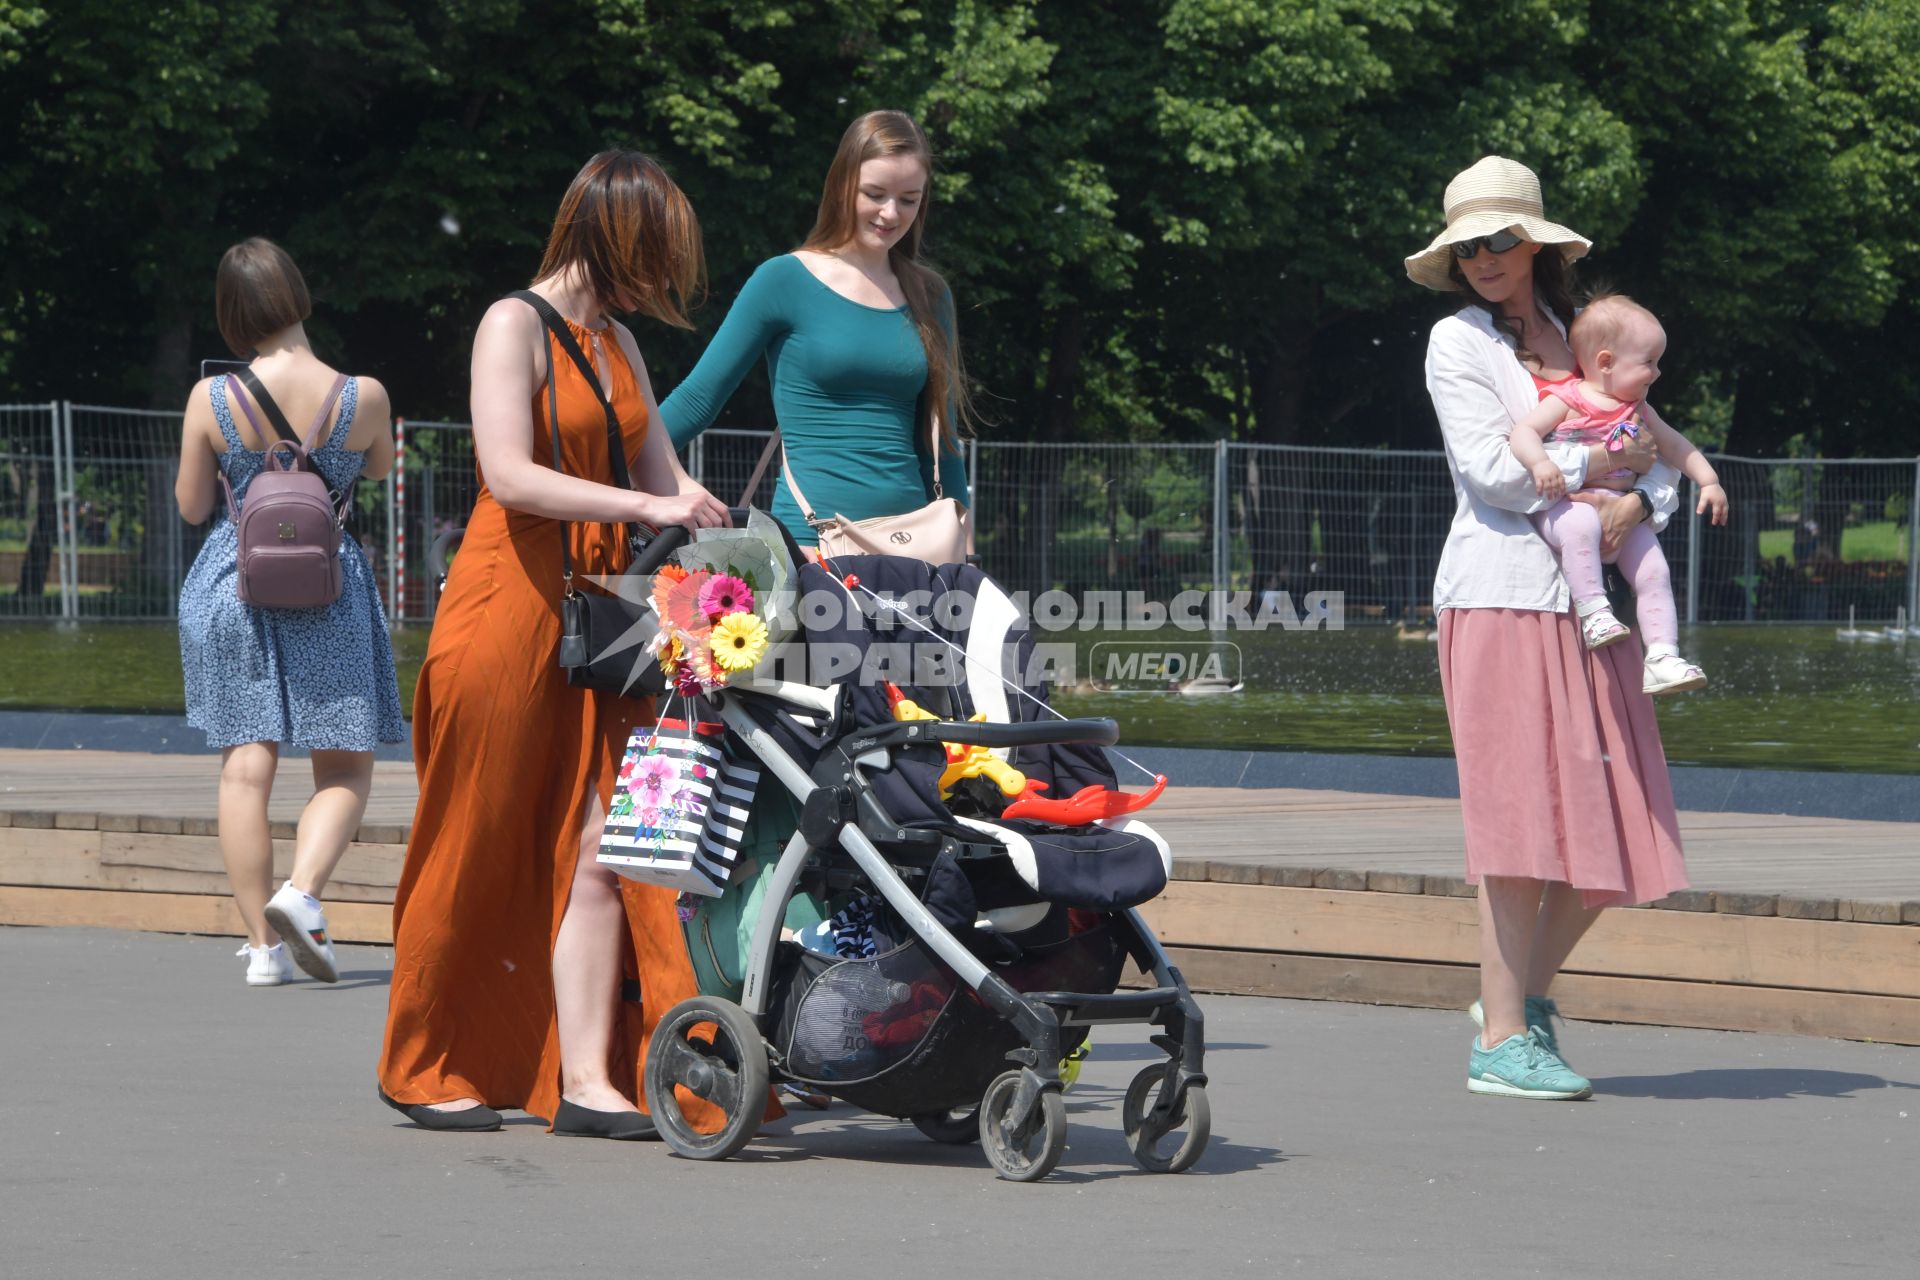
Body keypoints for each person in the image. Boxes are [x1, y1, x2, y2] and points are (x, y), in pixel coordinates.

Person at [377, 151, 732, 1138]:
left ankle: (585, 1076)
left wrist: (714, 525)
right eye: (654, 258)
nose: (664, 282)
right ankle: (420, 1058)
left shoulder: (617, 341)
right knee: (475, 828)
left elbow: (666, 471)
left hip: (602, 618)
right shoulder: (511, 323)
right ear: (612, 237)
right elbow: (511, 475)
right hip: (508, 605)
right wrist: (649, 501)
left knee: (602, 845)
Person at [1405, 156, 1689, 1101]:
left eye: (1501, 240)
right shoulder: (1456, 342)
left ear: (1536, 246)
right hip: (1497, 598)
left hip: (1589, 608)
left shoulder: (1590, 338)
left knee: (1618, 824)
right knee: (1518, 827)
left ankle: (1514, 1004)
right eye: (1467, 245)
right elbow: (1492, 471)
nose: (1484, 258)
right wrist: (1610, 466)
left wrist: (1638, 504)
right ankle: (1501, 1038)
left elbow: (1658, 462)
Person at [174, 237, 403, 988]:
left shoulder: (210, 400)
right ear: (298, 294)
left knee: (246, 767)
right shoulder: (362, 395)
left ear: (232, 314)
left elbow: (192, 506)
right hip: (326, 587)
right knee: (344, 762)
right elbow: (375, 468)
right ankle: (301, 893)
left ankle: (262, 952)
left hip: (234, 588)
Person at [659, 109, 972, 549]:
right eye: (875, 193)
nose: (890, 212)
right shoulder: (783, 280)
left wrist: (966, 555)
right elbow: (696, 400)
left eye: (909, 199)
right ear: (842, 185)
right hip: (811, 544)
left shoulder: (931, 295)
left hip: (914, 548)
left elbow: (943, 444)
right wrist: (603, 473)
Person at [1508, 293, 1728, 692]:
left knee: (1655, 571)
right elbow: (1523, 433)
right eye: (1649, 363)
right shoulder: (1568, 399)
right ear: (1606, 362)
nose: (1657, 374)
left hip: (1621, 512)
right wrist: (1541, 464)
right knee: (1578, 528)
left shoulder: (1640, 410)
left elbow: (1676, 447)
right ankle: (1594, 612)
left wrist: (1709, 481)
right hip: (1568, 507)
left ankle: (1662, 655)